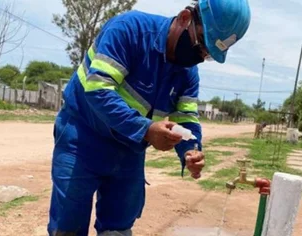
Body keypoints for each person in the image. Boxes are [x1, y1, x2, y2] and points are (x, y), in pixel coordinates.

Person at [47, 0, 251, 235]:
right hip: (82, 138)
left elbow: (186, 119)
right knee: (68, 226)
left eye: (208, 55)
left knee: (119, 228)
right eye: (202, 44)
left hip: (129, 149)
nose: (200, 56)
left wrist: (191, 149)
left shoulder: (187, 74)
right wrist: (146, 130)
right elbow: (98, 89)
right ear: (185, 18)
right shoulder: (129, 30)